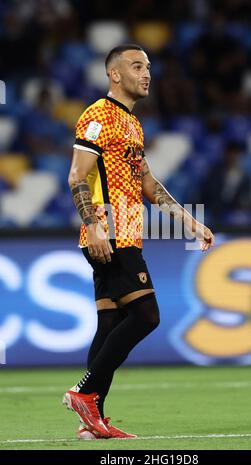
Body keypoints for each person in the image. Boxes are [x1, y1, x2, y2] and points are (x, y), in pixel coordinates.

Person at [63, 44, 214, 440]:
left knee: (110, 322)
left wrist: (190, 222)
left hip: (126, 232)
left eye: (148, 66)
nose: (146, 73)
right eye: (136, 66)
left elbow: (149, 185)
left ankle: (90, 424)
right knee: (147, 316)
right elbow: (77, 175)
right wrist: (95, 225)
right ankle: (85, 393)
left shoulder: (132, 123)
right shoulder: (98, 115)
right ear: (115, 74)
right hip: (108, 232)